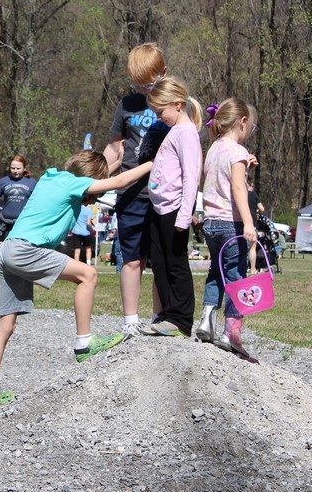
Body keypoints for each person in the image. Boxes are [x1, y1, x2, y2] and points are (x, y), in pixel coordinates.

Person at [0, 149, 154, 410]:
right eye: (92, 195)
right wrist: (151, 162)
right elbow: (117, 182)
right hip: (26, 250)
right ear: (87, 179)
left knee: (5, 327)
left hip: (6, 250)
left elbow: (104, 175)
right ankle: (84, 342)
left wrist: (118, 161)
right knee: (88, 274)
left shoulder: (52, 178)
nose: (91, 200)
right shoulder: (72, 183)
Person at [102, 43, 170, 338]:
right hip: (130, 192)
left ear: (162, 73)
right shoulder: (127, 105)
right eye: (137, 83)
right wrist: (95, 176)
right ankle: (131, 320)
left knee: (161, 260)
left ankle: (158, 317)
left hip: (166, 194)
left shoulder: (175, 102)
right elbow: (115, 147)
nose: (143, 89)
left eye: (149, 82)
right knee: (131, 259)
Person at [195, 97, 259, 363]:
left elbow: (221, 183)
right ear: (242, 122)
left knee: (216, 272)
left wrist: (246, 170)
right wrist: (248, 222)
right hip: (230, 223)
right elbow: (236, 189)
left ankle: (207, 320)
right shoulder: (237, 151)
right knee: (237, 277)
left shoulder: (213, 149)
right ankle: (231, 333)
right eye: (250, 128)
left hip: (210, 223)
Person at [140, 76, 203, 337]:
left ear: (177, 104)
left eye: (161, 112)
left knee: (176, 263)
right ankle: (166, 314)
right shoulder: (174, 131)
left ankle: (182, 319)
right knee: (159, 263)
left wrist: (184, 215)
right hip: (159, 208)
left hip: (175, 210)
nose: (159, 117)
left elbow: (192, 176)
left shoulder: (186, 133)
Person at [0, 155, 36, 238]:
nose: (15, 171)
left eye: (18, 168)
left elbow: (38, 201)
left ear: (24, 168)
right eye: (13, 168)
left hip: (23, 224)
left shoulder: (31, 182)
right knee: (7, 250)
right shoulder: (3, 181)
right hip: (6, 224)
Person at [246, 179, 265, 270]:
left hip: (241, 223)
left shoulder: (240, 194)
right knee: (252, 248)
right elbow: (262, 208)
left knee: (242, 248)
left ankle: (243, 268)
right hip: (252, 224)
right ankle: (253, 268)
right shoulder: (253, 195)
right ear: (250, 185)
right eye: (252, 186)